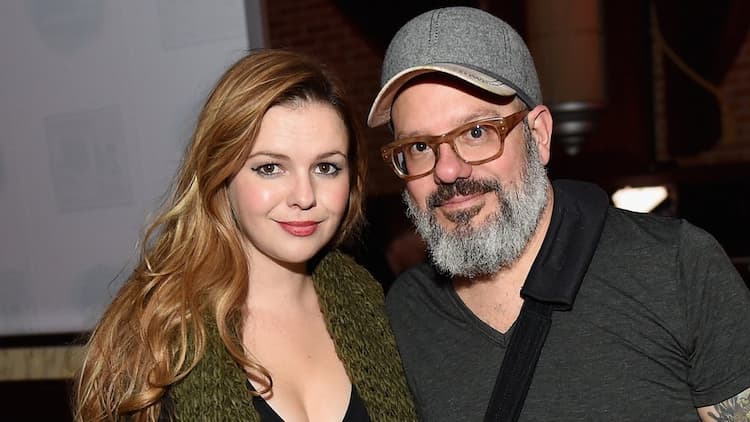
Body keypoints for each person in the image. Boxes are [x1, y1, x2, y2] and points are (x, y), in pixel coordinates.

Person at [367, 6, 750, 421]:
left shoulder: (676, 267)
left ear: (539, 136)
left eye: (477, 133)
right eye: (419, 146)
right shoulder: (405, 313)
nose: (447, 170)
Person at [74, 49, 417, 421]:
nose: (304, 196)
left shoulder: (369, 304)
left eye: (325, 167)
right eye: (270, 167)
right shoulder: (155, 333)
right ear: (222, 174)